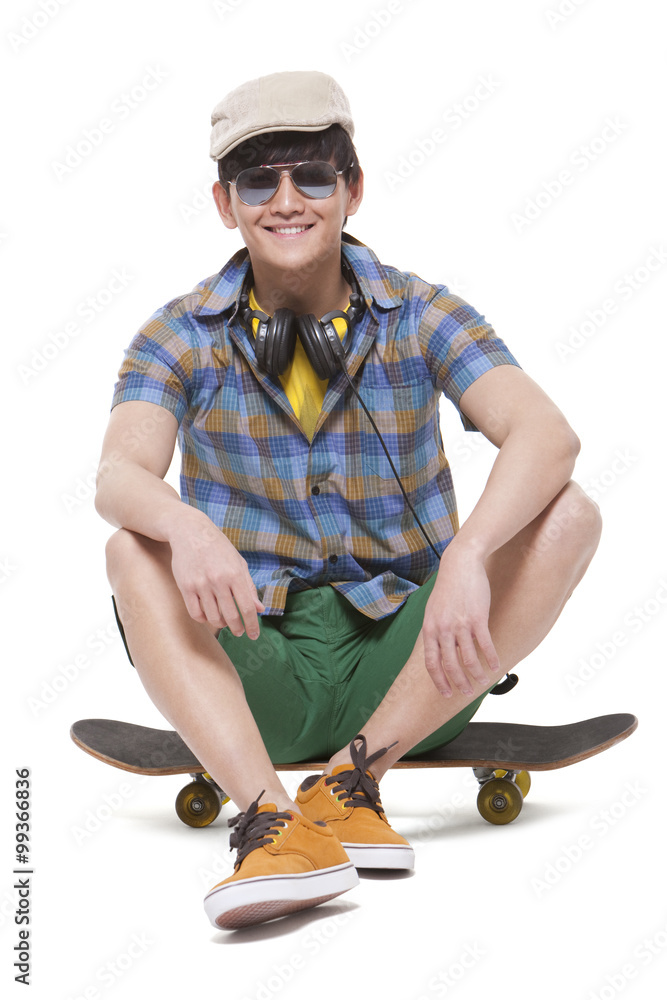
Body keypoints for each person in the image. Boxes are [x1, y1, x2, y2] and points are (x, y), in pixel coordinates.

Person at [95, 70, 602, 931]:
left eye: (313, 177)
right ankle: (269, 823)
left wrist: (470, 557)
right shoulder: (177, 333)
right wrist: (184, 527)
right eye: (260, 180)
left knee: (570, 511)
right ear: (225, 203)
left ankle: (350, 782)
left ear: (351, 191)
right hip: (255, 669)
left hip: (413, 672)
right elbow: (117, 477)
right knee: (129, 545)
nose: (286, 201)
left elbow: (545, 435)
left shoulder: (422, 313)